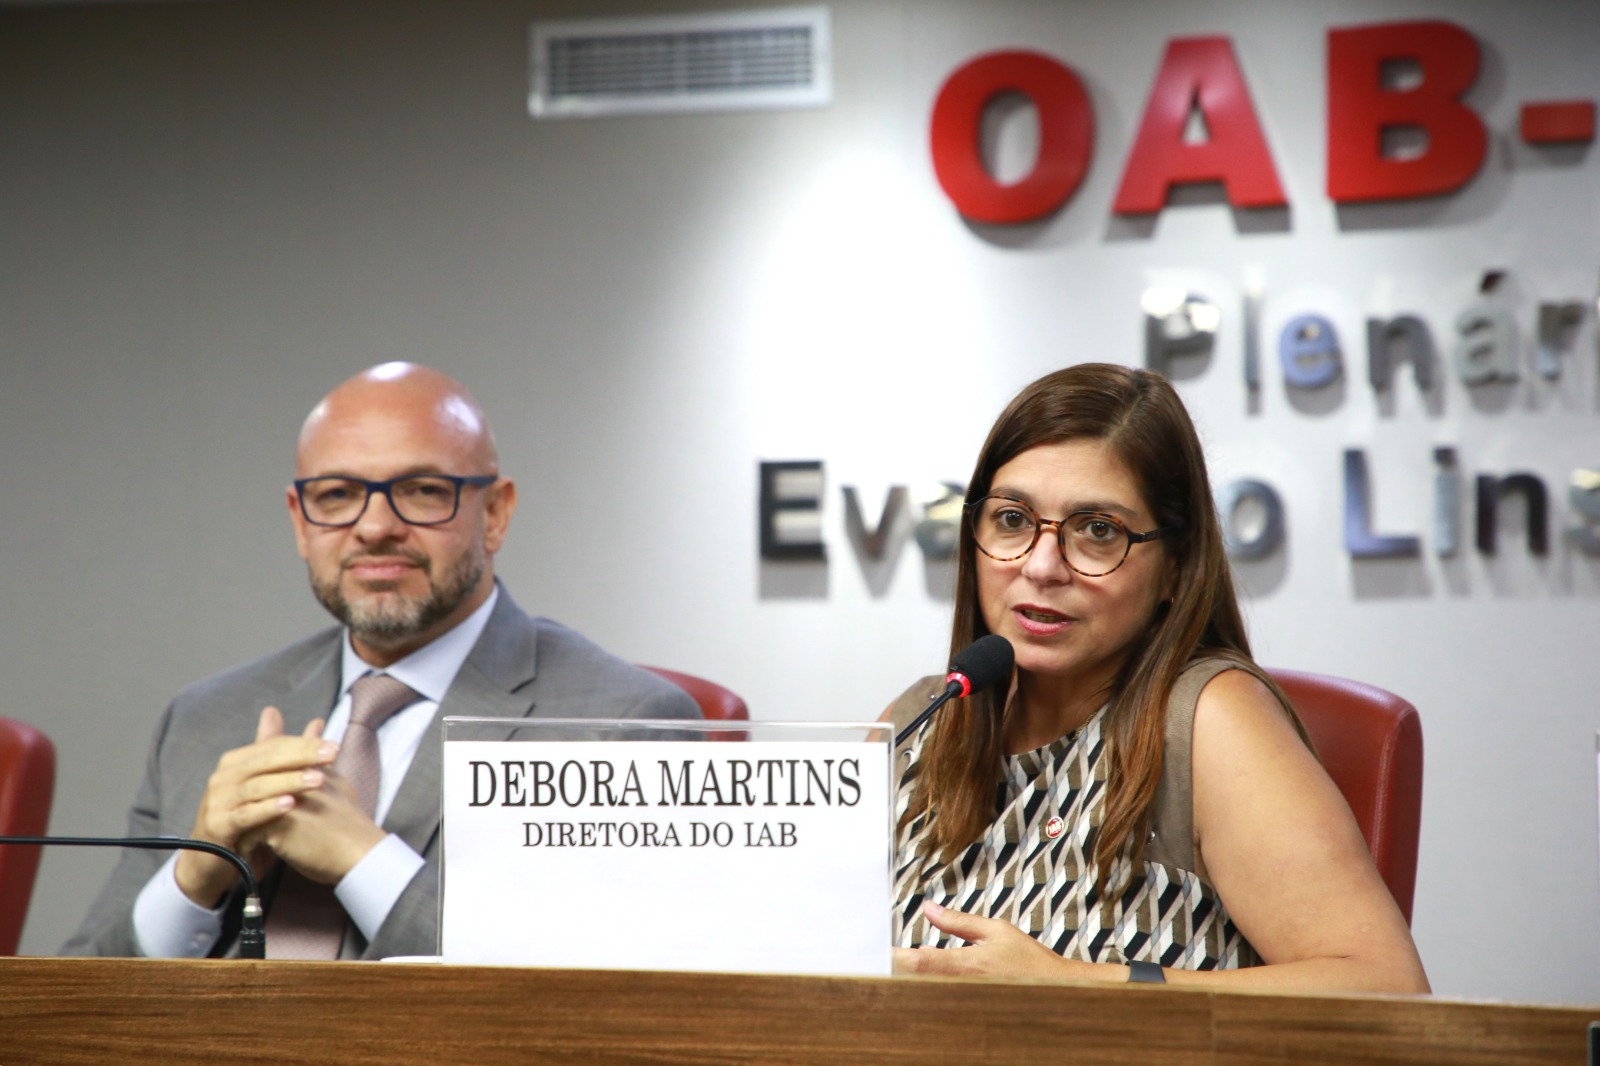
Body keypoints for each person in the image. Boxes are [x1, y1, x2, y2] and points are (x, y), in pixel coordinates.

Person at [63, 362, 699, 960]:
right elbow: (71, 1002)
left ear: (495, 514)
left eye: (421, 491)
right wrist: (194, 879)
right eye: (337, 494)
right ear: (300, 523)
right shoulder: (204, 718)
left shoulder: (622, 724)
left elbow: (602, 989)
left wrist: (364, 862)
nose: (373, 527)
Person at [888, 363, 1429, 992]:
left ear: (1175, 567)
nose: (1041, 566)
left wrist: (1077, 988)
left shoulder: (1208, 722)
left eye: (1098, 531)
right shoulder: (920, 721)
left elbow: (1386, 987)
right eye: (1012, 520)